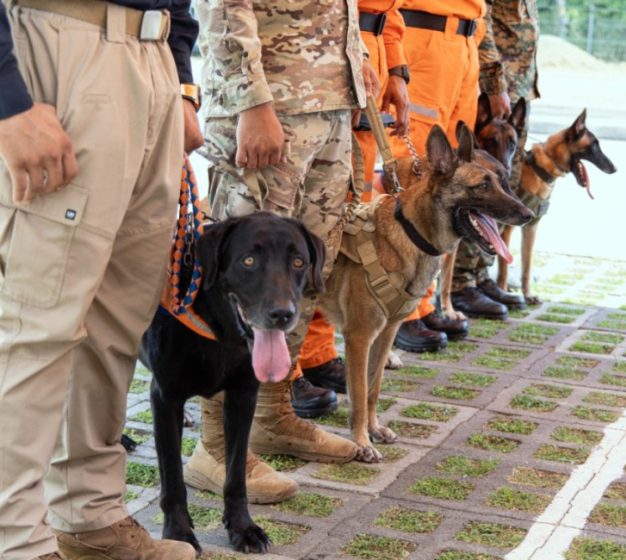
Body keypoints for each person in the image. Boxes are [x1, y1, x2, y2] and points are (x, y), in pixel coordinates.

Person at [0, 0, 202, 558]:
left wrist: (180, 74)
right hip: (60, 44)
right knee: (36, 322)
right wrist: (6, 99)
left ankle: (88, 517)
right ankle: (14, 541)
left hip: (153, 56)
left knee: (117, 318)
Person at [186, 0, 378, 501]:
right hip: (270, 108)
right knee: (237, 282)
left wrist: (356, 68)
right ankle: (217, 444)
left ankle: (270, 416)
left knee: (304, 275)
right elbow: (224, 6)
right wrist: (251, 102)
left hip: (329, 102)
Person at [294, 0, 411, 398]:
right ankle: (288, 368)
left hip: (366, 50)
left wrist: (396, 68)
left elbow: (391, 9)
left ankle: (317, 351)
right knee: (308, 222)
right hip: (322, 52)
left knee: (343, 227)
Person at [388, 0, 496, 353]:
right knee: (415, 176)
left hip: (465, 42)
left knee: (450, 181)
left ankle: (423, 299)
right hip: (424, 39)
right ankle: (401, 310)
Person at [451, 0, 540, 318]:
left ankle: (479, 274)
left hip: (518, 91)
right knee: (478, 188)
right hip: (493, 94)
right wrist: (494, 85)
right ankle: (459, 284)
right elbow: (482, 21)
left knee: (505, 189)